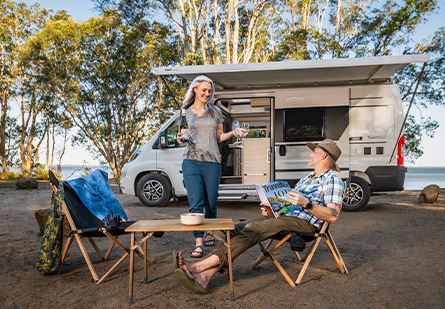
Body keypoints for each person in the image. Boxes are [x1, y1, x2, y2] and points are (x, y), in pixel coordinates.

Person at [173, 139, 346, 293]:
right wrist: (272, 209)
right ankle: (205, 277)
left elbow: (332, 215)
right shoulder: (306, 178)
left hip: (306, 224)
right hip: (285, 218)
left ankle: (198, 266)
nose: (311, 155)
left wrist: (306, 204)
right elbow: (288, 206)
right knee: (237, 228)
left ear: (323, 156)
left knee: (253, 229)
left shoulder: (333, 180)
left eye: (314, 151)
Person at [177, 75, 247, 258]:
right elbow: (181, 135)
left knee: (211, 201)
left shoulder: (215, 111)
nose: (207, 93)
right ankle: (198, 242)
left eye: (210, 91)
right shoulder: (184, 111)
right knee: (196, 201)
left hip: (212, 161)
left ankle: (210, 231)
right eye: (204, 90)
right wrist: (179, 139)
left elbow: (219, 137)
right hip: (191, 159)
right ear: (195, 90)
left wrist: (233, 132)